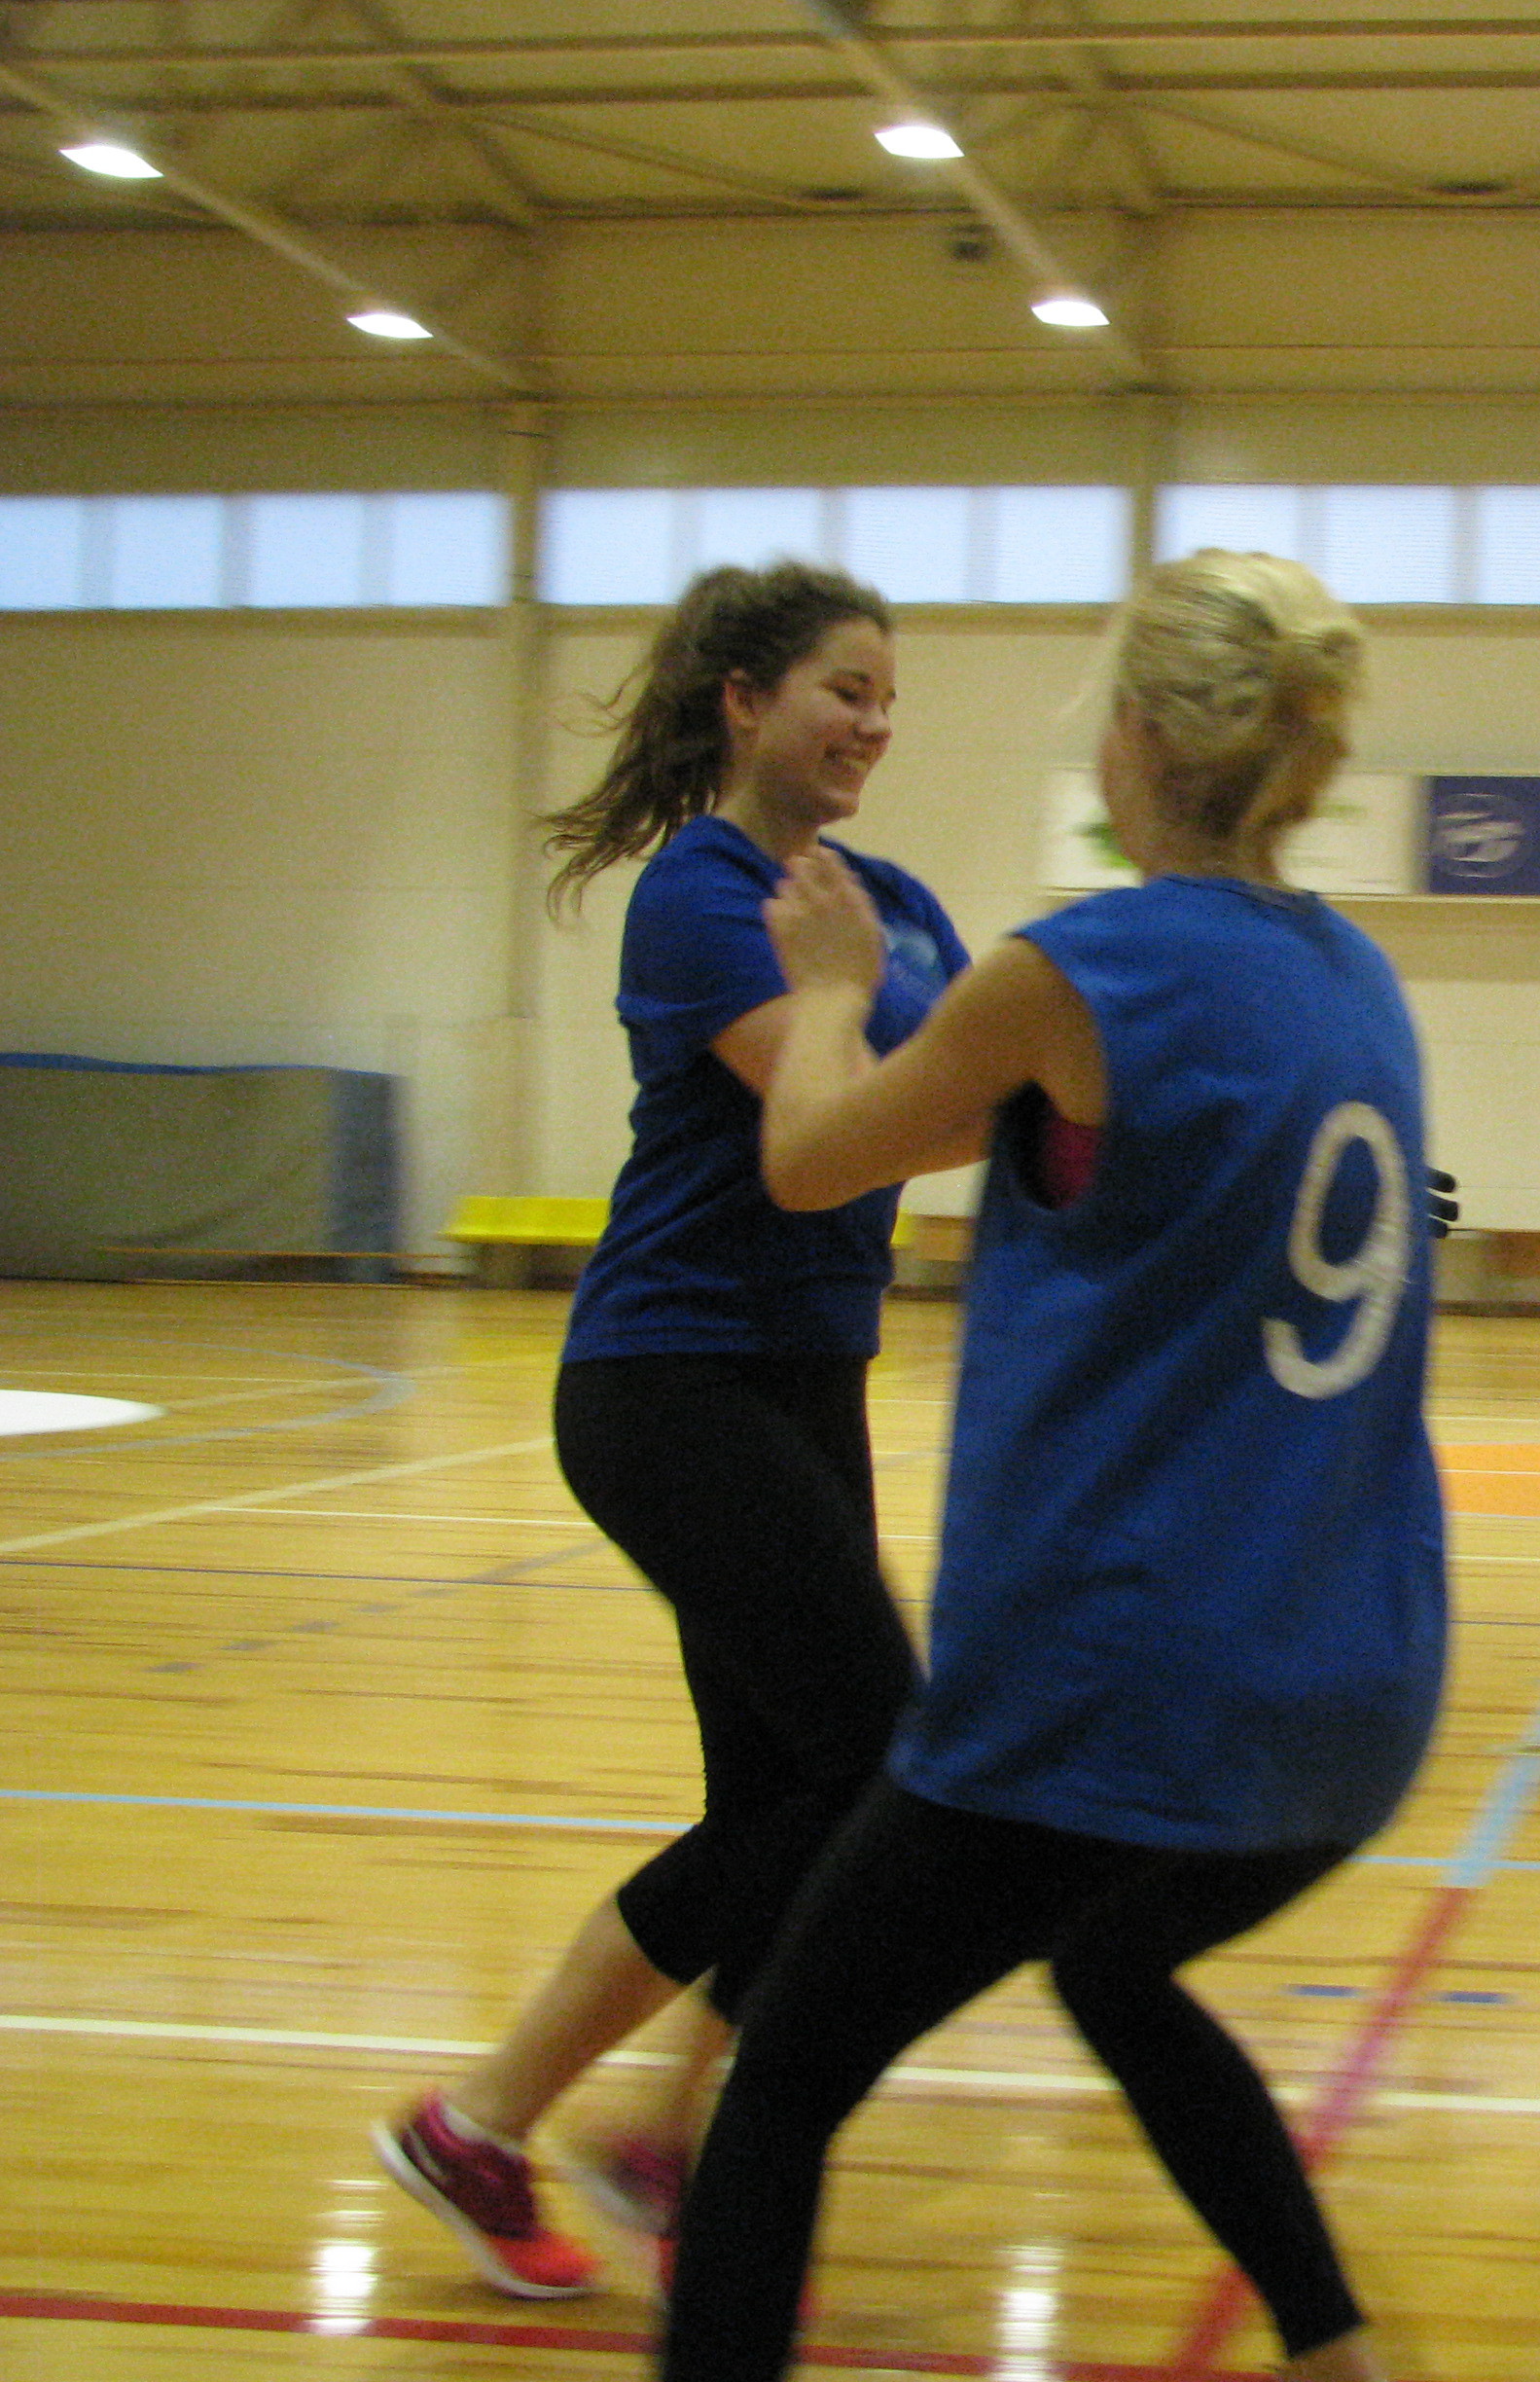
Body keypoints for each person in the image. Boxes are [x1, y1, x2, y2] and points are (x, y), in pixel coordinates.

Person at [653, 549, 1443, 2382]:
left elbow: (812, 1158)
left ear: (1143, 735)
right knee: (1110, 1965)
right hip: (1359, 1690)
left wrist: (831, 988)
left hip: (1116, 1686)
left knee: (780, 2086)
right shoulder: (1359, 979)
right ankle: (1333, 2352)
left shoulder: (1076, 972)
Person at [376, 561, 970, 2296]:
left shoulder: (890, 901)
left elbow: (981, 1090)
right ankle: (533, 2119)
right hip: (671, 1383)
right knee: (878, 1763)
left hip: (806, 1377)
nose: (872, 723)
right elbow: (838, 1127)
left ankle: (583, 2134)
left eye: (886, 697)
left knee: (797, 1796)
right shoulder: (701, 896)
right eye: (843, 689)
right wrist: (898, 1044)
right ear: (745, 701)